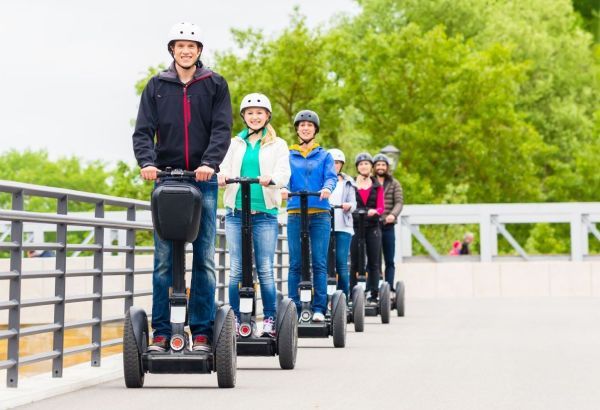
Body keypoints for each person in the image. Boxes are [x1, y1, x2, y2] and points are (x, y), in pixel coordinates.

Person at [132, 22, 233, 352]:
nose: (186, 50)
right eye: (180, 46)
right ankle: (162, 330)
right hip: (167, 179)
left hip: (202, 181)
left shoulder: (214, 84)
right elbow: (143, 131)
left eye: (192, 46)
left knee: (203, 257)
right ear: (172, 50)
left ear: (199, 50)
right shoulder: (157, 85)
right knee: (163, 258)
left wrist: (209, 163)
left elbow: (222, 129)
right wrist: (147, 163)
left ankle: (202, 330)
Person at [218, 93, 290, 337]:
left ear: (267, 116)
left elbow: (283, 172)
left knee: (265, 268)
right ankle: (238, 321)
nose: (255, 116)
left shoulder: (277, 144)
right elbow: (223, 167)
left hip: (265, 213)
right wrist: (220, 176)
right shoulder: (234, 143)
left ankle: (269, 319)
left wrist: (274, 180)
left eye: (260, 113)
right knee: (237, 269)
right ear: (244, 117)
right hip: (236, 211)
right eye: (250, 113)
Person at [282, 110, 336, 322]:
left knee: (319, 262)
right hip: (296, 211)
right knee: (295, 262)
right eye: (302, 125)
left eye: (309, 125)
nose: (305, 128)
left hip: (320, 212)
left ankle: (319, 308)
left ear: (315, 130)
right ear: (297, 129)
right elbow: (284, 177)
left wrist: (327, 189)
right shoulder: (288, 155)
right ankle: (294, 307)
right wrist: (284, 188)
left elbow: (331, 178)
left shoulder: (324, 155)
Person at [350, 153, 384, 303]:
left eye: (366, 164)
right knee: (355, 261)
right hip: (356, 226)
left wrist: (375, 211)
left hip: (372, 226)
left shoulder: (377, 186)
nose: (364, 166)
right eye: (361, 164)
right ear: (357, 167)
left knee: (374, 261)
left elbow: (381, 207)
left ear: (371, 166)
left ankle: (373, 292)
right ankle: (353, 292)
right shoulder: (351, 184)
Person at [328, 148, 356, 299]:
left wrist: (349, 206)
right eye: (332, 162)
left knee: (340, 262)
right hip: (325, 225)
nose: (335, 165)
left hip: (343, 226)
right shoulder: (322, 180)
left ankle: (344, 297)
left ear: (342, 165)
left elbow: (354, 203)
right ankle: (324, 297)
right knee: (323, 264)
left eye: (338, 163)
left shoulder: (348, 182)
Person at [372, 153, 404, 291]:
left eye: (383, 165)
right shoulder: (370, 182)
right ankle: (376, 286)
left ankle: (389, 288)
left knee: (389, 259)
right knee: (374, 259)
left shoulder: (394, 183)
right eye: (378, 164)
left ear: (387, 167)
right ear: (374, 167)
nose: (380, 167)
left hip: (388, 225)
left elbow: (399, 202)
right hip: (372, 225)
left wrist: (393, 215)